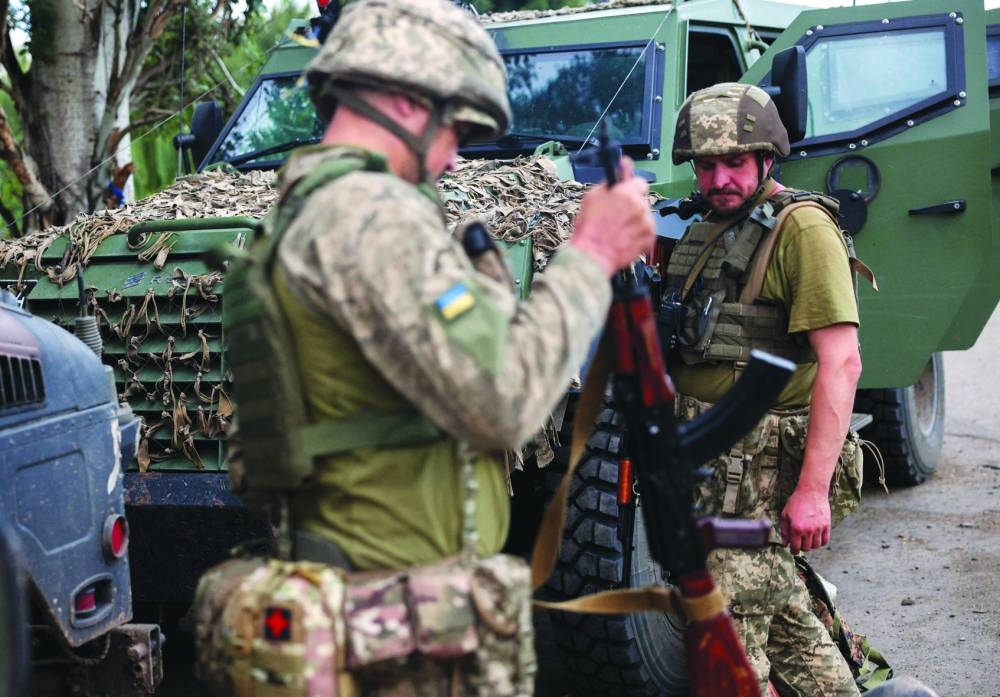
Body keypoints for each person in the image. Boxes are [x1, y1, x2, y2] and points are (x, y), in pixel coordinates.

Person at [259, 0, 653, 691]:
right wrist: (591, 252)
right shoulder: (370, 216)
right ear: (408, 100)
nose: (456, 155)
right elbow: (503, 402)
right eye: (457, 127)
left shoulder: (312, 206)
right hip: (389, 615)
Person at [664, 82, 865, 696]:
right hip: (710, 463)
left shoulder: (801, 229)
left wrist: (812, 492)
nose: (719, 177)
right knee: (780, 621)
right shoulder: (709, 228)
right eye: (707, 164)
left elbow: (842, 362)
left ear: (767, 160)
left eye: (735, 163)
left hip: (758, 468)